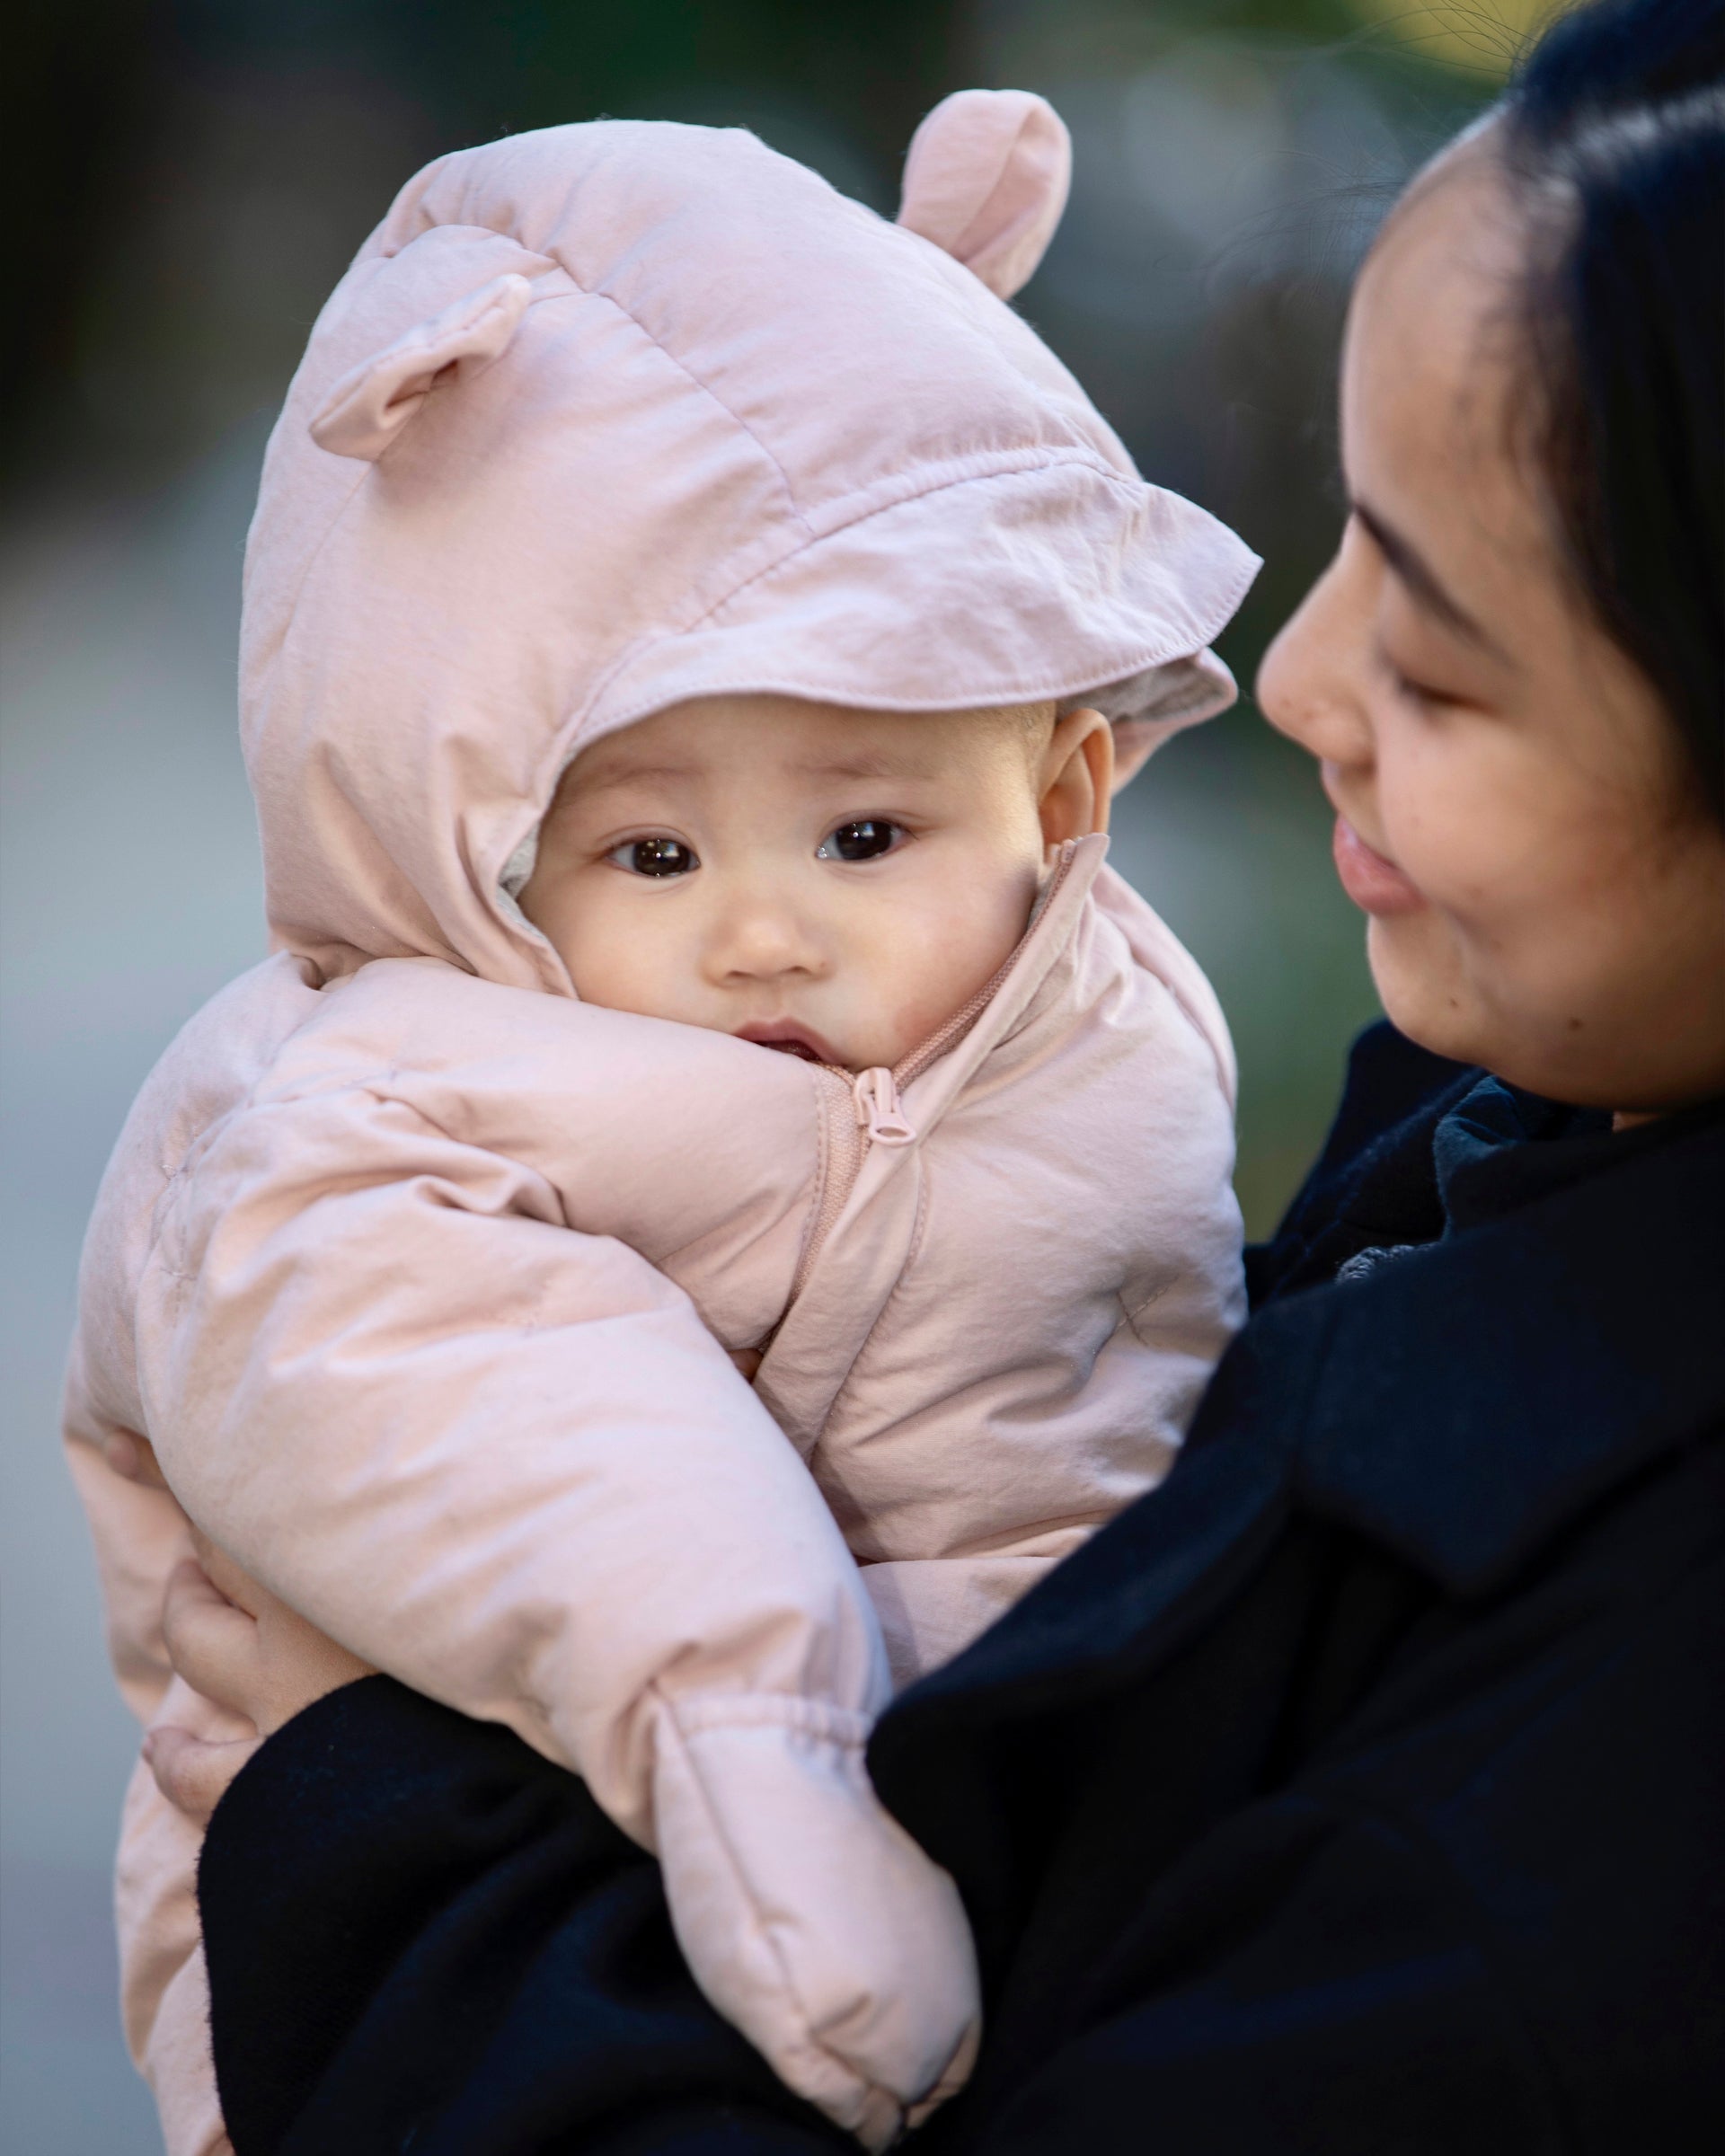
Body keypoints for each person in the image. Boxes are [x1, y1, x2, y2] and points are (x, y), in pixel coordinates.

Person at [139, 0, 1725, 2147]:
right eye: (1346, 531)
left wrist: (361, 1781)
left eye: (1444, 665)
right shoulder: (1490, 1131)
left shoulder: (1591, 1818)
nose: (1292, 677)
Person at [63, 87, 1262, 2156]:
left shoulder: (1105, 1024)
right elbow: (534, 1429)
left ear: (1063, 799)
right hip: (464, 1924)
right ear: (483, 855)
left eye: (865, 834)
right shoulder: (374, 1106)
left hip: (996, 1893)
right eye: (649, 856)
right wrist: (763, 1766)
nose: (761, 935)